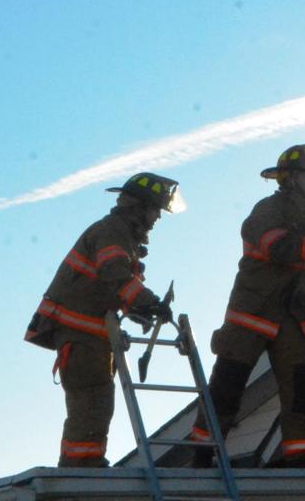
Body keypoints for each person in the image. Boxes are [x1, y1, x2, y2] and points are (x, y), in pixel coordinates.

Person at [190, 143, 305, 468]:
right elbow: (277, 247)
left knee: (301, 384)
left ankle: (300, 453)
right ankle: (204, 453)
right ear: (291, 178)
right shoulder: (269, 209)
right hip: (254, 308)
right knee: (229, 385)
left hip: (292, 313)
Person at [24, 172, 184, 467]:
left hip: (91, 337)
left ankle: (86, 464)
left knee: (97, 403)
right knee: (91, 402)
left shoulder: (122, 236)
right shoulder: (112, 232)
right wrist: (148, 303)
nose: (156, 219)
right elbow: (115, 274)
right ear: (140, 207)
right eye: (155, 211)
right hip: (80, 334)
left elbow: (114, 288)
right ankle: (80, 469)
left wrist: (140, 312)